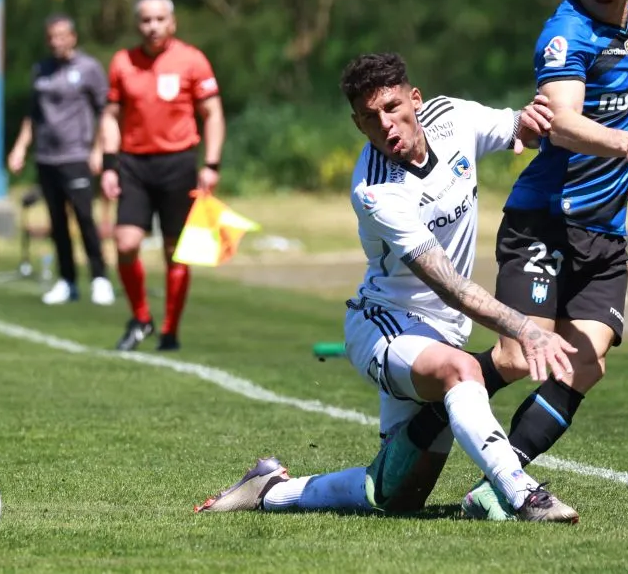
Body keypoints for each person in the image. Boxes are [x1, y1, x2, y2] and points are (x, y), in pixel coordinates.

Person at [356, 0, 628, 521]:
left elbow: (616, 115)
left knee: (587, 363)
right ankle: (420, 434)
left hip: (604, 225)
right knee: (513, 357)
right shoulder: (565, 36)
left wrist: (623, 169)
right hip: (546, 221)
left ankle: (498, 484)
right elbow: (567, 122)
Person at [194, 53, 581, 522]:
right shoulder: (376, 191)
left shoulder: (453, 118)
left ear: (414, 99)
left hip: (444, 333)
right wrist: (525, 327)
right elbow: (449, 285)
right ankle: (523, 494)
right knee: (461, 371)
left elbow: (523, 126)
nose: (387, 125)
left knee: (395, 494)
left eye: (393, 107)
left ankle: (271, 489)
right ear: (359, 125)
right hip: (385, 326)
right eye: (371, 118)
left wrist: (608, 173)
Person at [99, 0, 226, 352]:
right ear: (137, 23)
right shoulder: (123, 62)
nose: (152, 26)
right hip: (134, 164)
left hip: (178, 163)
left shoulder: (192, 60)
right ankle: (141, 318)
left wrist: (211, 164)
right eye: (145, 19)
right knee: (125, 243)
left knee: (175, 250)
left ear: (172, 22)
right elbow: (110, 116)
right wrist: (109, 167)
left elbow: (213, 113)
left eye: (159, 19)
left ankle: (170, 331)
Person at [7, 14, 115, 307]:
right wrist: (20, 148)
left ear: (73, 37)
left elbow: (105, 112)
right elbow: (33, 114)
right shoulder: (41, 70)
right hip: (46, 156)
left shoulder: (89, 68)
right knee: (57, 222)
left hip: (76, 155)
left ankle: (99, 278)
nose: (56, 42)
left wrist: (98, 150)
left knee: (84, 217)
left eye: (61, 36)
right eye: (51, 37)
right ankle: (67, 280)